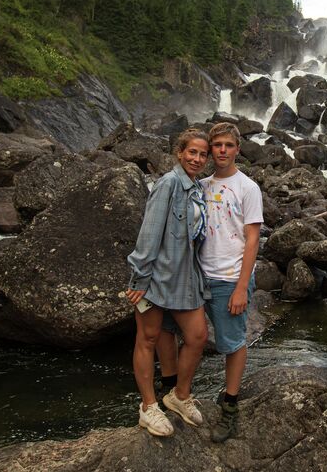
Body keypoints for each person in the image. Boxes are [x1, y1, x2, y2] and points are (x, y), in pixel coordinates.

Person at [125, 128, 211, 437]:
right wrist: (139, 277)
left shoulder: (197, 188)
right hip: (156, 277)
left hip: (185, 277)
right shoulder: (169, 184)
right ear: (179, 153)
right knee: (147, 339)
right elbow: (149, 233)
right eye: (192, 152)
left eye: (203, 154)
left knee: (197, 336)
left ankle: (179, 395)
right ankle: (148, 407)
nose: (198, 158)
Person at [199, 122, 263, 443]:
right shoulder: (201, 185)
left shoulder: (247, 188)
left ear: (238, 149)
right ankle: (177, 395)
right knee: (189, 336)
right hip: (199, 276)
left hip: (229, 278)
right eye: (217, 145)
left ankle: (230, 406)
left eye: (228, 145)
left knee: (232, 342)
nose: (222, 150)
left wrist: (241, 286)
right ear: (210, 149)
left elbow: (253, 240)